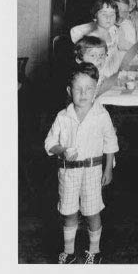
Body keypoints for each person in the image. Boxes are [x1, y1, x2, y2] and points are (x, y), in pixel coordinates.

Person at [46, 66, 119, 263]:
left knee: (92, 211)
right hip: (68, 173)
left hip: (93, 171)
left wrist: (108, 168)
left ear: (95, 90)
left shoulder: (101, 115)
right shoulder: (63, 117)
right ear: (69, 91)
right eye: (78, 89)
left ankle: (94, 252)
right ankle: (68, 253)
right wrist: (62, 150)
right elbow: (49, 143)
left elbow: (110, 142)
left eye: (89, 89)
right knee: (69, 212)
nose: (83, 94)